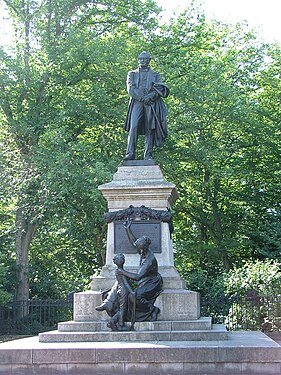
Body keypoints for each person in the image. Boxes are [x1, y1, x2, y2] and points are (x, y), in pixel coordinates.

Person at [96, 218, 163, 324]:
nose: (137, 242)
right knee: (120, 281)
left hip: (152, 282)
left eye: (140, 242)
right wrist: (127, 229)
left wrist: (122, 271)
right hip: (143, 280)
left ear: (144, 245)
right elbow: (133, 242)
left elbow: (137, 277)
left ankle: (152, 309)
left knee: (135, 295)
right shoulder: (143, 251)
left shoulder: (149, 260)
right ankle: (108, 302)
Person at [123, 51, 169, 161]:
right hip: (137, 102)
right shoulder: (132, 74)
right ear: (138, 60)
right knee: (133, 127)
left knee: (150, 128)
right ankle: (130, 154)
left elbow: (159, 88)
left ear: (149, 60)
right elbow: (131, 88)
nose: (142, 61)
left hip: (151, 103)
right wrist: (142, 98)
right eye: (140, 58)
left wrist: (150, 97)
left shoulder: (155, 75)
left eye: (145, 59)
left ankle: (148, 155)